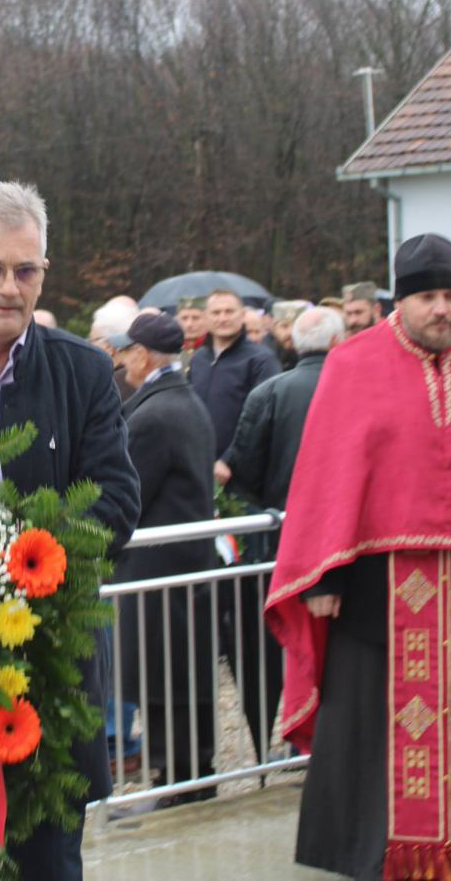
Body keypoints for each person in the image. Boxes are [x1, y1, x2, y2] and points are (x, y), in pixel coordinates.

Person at [266, 235, 451, 880]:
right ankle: (381, 857)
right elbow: (325, 477)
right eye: (428, 298)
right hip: (376, 585)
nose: (442, 310)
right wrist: (325, 574)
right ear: (402, 300)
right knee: (378, 729)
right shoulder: (354, 362)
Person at [0, 180, 139, 881]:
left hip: (49, 667)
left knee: (45, 859)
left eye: (27, 270)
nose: (9, 288)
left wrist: (17, 565)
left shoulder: (83, 370)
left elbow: (117, 500)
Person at [215, 305, 343, 761]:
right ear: (336, 343)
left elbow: (240, 469)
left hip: (285, 538)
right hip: (346, 537)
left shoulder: (271, 392)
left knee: (291, 637)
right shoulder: (357, 389)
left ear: (292, 342)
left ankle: (297, 735)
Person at [109, 312, 217, 798]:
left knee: (163, 678)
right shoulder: (184, 400)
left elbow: (132, 492)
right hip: (183, 565)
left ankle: (175, 777)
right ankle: (187, 771)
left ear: (143, 355)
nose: (122, 358)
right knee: (179, 674)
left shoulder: (154, 414)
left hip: (159, 567)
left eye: (127, 350)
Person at [189, 288, 281, 460]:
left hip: (240, 470)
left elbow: (262, 418)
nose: (222, 318)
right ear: (206, 317)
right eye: (216, 312)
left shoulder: (261, 360)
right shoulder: (198, 359)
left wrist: (228, 460)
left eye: (229, 312)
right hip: (198, 464)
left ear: (242, 315)